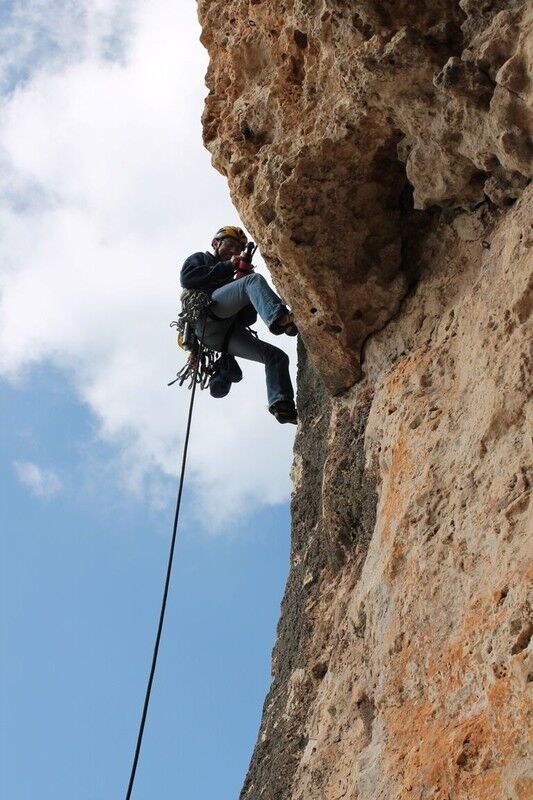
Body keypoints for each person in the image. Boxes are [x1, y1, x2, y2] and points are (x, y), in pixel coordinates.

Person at [180, 226, 298, 424]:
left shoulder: (233, 278)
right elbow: (188, 278)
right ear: (216, 244)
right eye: (230, 245)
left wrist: (241, 281)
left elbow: (247, 320)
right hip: (207, 316)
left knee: (276, 357)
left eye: (238, 248)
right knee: (252, 282)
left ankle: (281, 404)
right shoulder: (201, 259)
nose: (235, 250)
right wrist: (231, 270)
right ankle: (280, 319)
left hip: (224, 335)